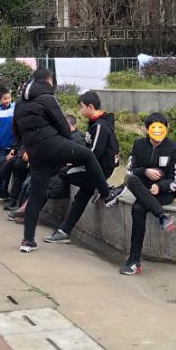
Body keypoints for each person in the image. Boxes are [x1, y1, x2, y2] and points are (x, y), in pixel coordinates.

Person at [13, 68, 123, 254]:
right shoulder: (48, 98)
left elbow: (16, 130)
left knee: (37, 195)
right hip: (53, 145)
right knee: (87, 155)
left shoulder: (20, 104)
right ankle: (106, 192)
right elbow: (65, 128)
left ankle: (28, 241)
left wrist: (29, 147)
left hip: (35, 152)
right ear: (49, 80)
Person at [44, 91, 120, 244]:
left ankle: (105, 190)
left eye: (81, 107)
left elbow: (94, 154)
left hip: (100, 168)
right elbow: (87, 148)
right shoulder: (94, 123)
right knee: (80, 198)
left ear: (90, 106)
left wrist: (77, 162)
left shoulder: (100, 126)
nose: (80, 111)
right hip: (94, 168)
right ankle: (64, 231)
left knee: (65, 173)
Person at [116, 113, 176, 276]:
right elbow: (130, 171)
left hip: (163, 194)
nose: (158, 131)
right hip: (141, 189)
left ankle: (133, 261)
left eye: (161, 128)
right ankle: (162, 217)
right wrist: (145, 171)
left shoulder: (173, 148)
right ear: (146, 129)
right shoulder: (138, 145)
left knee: (138, 208)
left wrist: (159, 187)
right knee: (130, 179)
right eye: (154, 128)